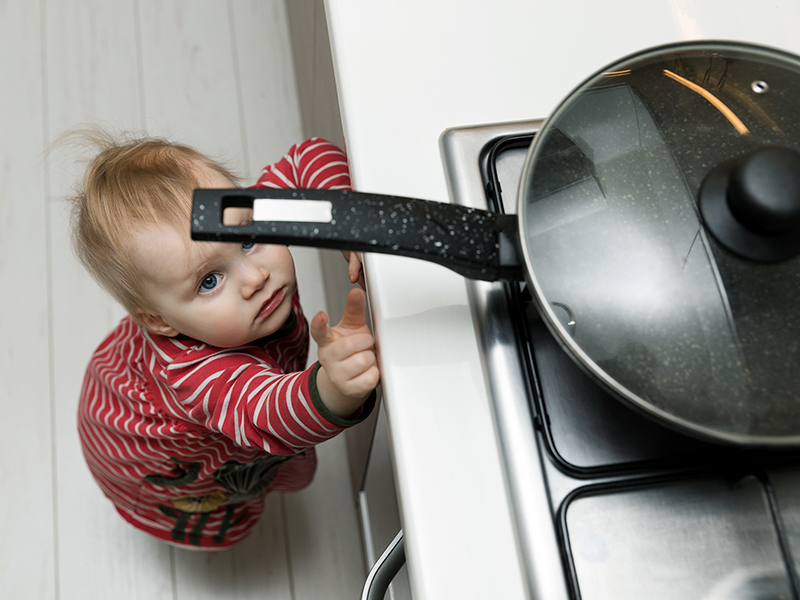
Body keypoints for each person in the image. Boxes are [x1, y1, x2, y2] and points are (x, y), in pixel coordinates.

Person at [71, 133, 378, 550]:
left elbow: (310, 156)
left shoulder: (235, 218)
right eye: (210, 281)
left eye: (248, 239)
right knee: (221, 502)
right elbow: (268, 412)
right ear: (159, 321)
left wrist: (345, 219)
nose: (256, 278)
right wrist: (333, 388)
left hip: (127, 374)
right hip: (152, 454)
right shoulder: (194, 375)